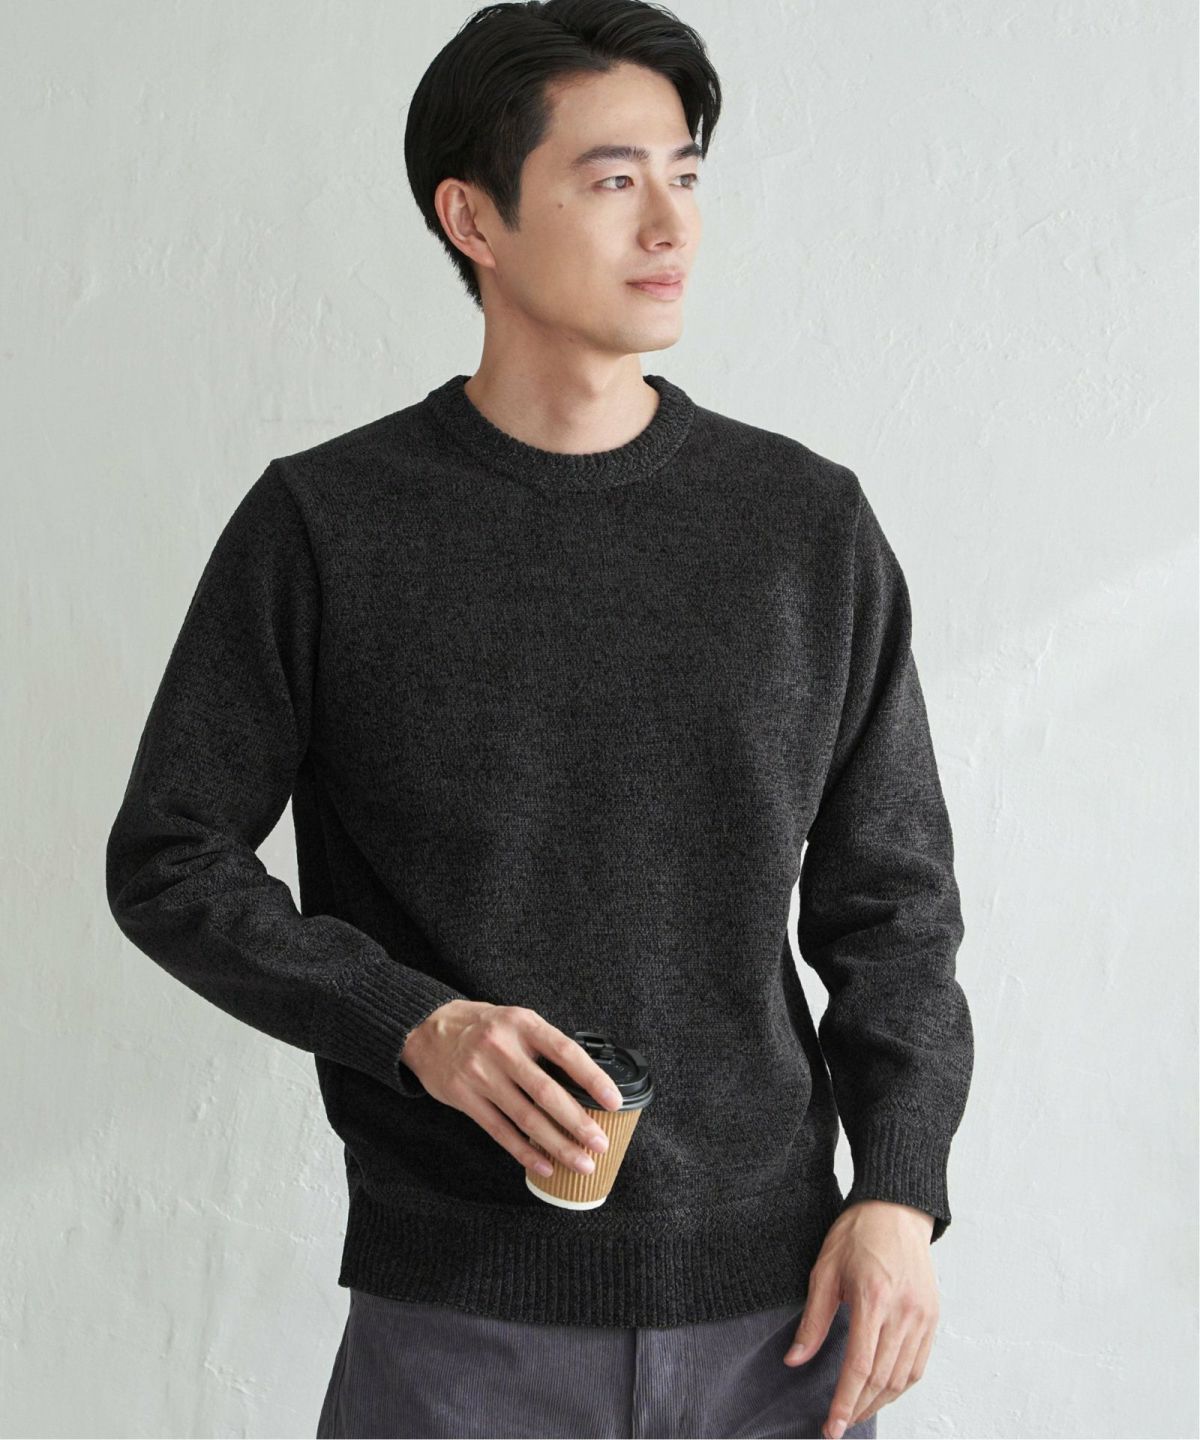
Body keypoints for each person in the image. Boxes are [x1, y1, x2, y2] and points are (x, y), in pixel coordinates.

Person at [105, 1, 974, 1436]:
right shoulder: (327, 525)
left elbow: (895, 907)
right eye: (613, 178)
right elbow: (170, 856)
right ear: (474, 219)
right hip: (460, 1334)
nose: (671, 226)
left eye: (685, 175)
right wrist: (416, 1025)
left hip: (782, 1327)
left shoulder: (803, 527)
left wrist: (898, 1191)